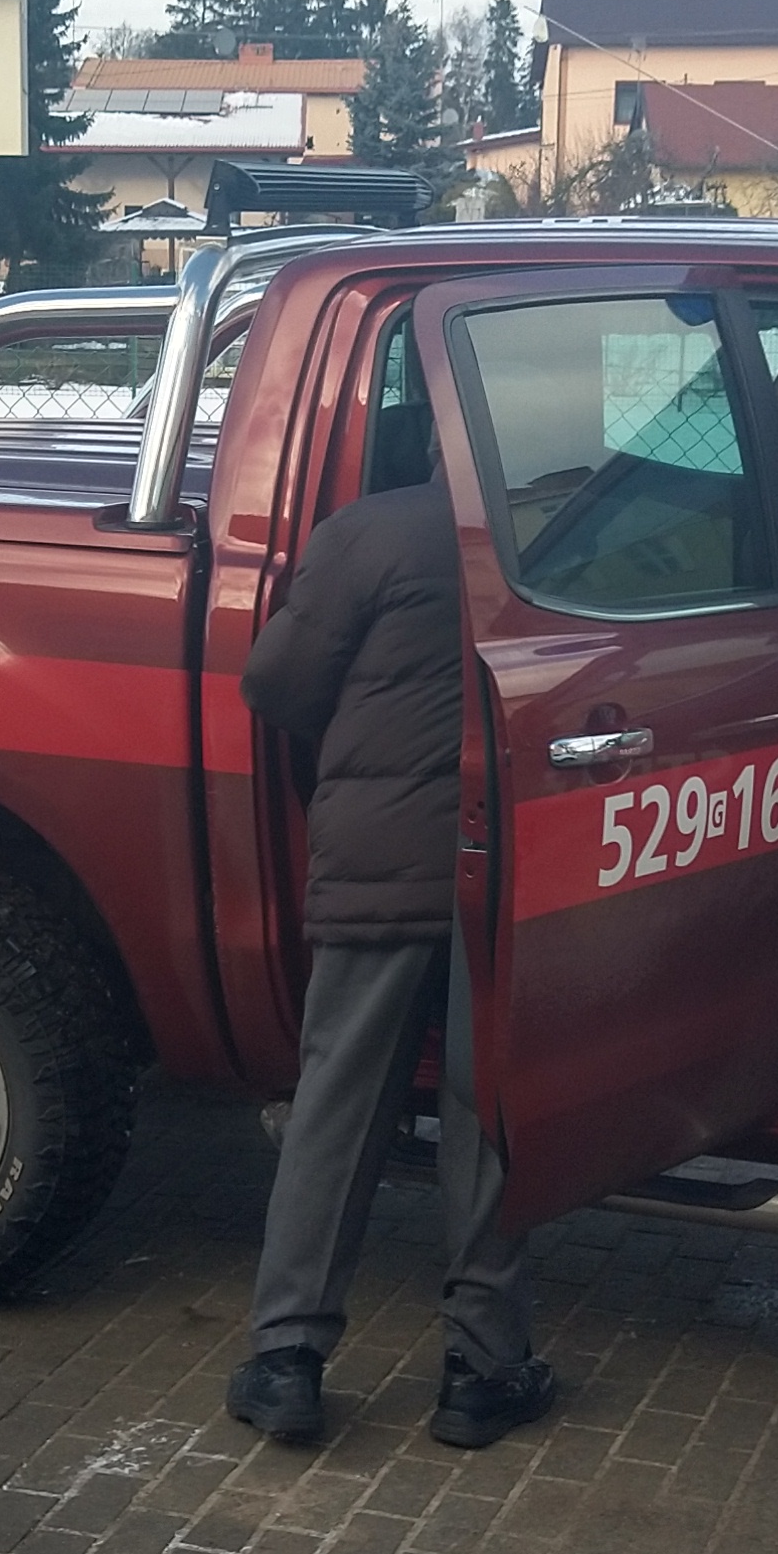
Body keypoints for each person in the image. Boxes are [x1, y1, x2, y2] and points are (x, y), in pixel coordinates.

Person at [226, 424, 555, 1453]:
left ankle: (287, 1360)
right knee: (484, 1107)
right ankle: (482, 1370)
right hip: (516, 862)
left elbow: (274, 682)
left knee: (337, 1102)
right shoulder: (560, 541)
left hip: (378, 857)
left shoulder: (369, 532)